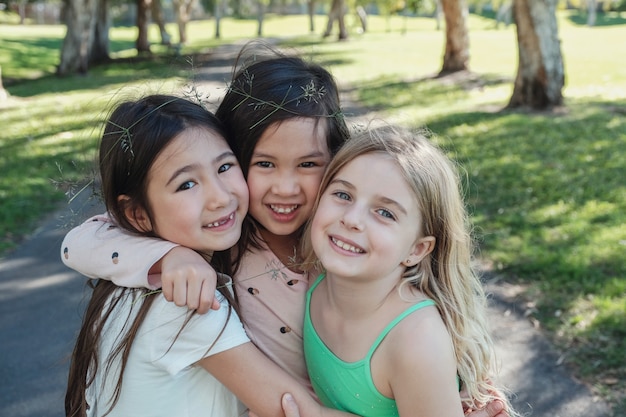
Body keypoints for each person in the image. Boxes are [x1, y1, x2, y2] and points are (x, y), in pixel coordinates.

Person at [61, 43, 508, 417]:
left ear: (336, 165)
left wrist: (465, 389)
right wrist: (163, 258)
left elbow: (426, 312)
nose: (286, 188)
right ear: (237, 160)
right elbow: (83, 241)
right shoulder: (222, 243)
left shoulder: (341, 244)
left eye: (310, 165)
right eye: (263, 164)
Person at [63, 94, 354, 417]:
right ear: (138, 215)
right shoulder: (185, 302)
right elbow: (297, 412)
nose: (219, 196)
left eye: (225, 167)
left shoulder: (142, 277)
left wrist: (168, 256)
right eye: (187, 184)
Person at [299, 124, 518, 417]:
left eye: (385, 213)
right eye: (343, 195)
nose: (352, 219)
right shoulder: (313, 277)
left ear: (416, 250)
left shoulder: (416, 340)